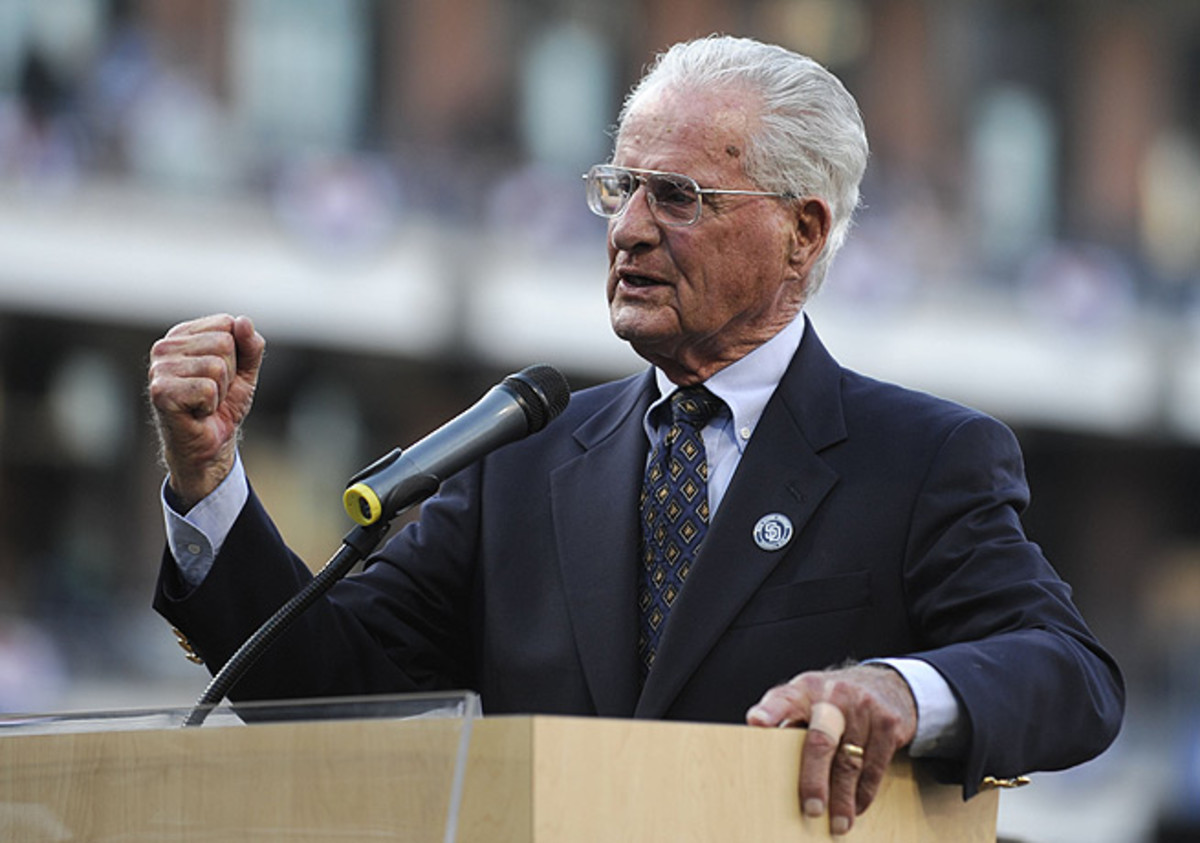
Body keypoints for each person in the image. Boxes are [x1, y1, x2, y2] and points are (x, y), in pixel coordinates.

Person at [148, 35, 1123, 836]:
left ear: (804, 231)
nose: (628, 230)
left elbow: (1073, 676)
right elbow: (323, 684)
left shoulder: (921, 459)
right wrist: (208, 481)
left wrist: (903, 693)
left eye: (679, 198)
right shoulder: (521, 459)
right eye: (619, 188)